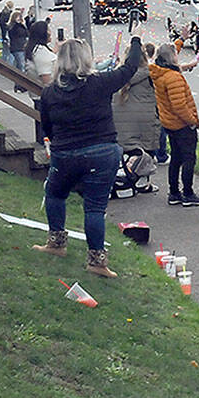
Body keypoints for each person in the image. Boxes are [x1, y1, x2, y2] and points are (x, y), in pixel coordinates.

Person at [32, 36, 143, 278]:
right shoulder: (99, 83)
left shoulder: (49, 91)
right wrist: (135, 43)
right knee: (94, 207)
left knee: (55, 193)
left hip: (65, 153)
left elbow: (47, 126)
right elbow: (129, 68)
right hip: (102, 152)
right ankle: (97, 261)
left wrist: (58, 142)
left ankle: (56, 242)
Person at [149, 43, 199, 207]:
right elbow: (179, 105)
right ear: (171, 57)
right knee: (189, 158)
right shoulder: (173, 77)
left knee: (176, 158)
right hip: (181, 124)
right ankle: (188, 193)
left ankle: (174, 192)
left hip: (169, 123)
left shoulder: (159, 74)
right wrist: (192, 121)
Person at [112, 43, 160, 155]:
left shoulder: (114, 77)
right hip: (145, 127)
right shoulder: (151, 75)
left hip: (121, 129)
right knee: (144, 165)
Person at [24, 20, 56, 86]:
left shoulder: (37, 50)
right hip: (47, 93)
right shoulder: (40, 51)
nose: (50, 32)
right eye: (48, 30)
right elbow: (46, 78)